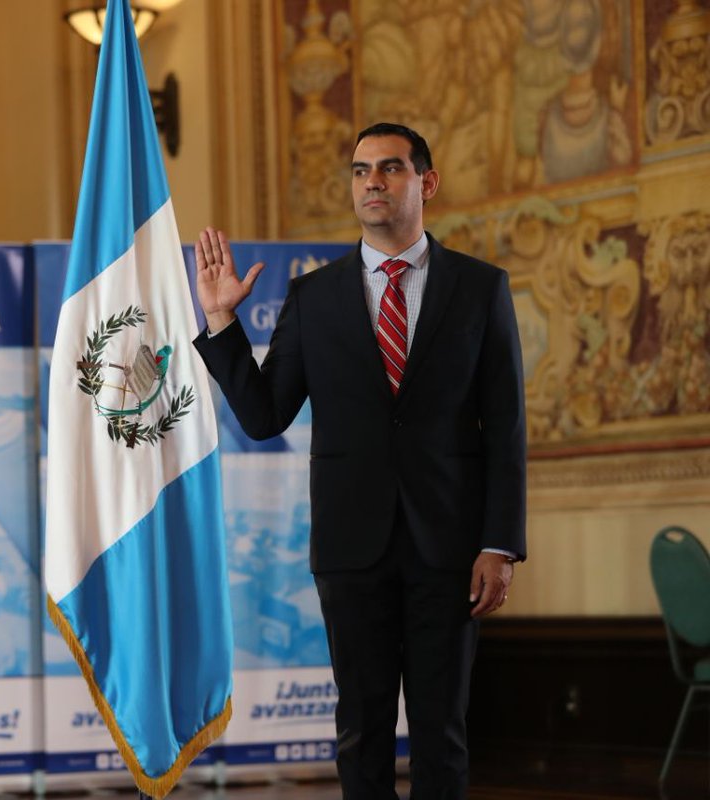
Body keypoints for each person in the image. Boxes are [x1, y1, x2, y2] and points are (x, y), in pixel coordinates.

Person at [193, 122, 526, 798]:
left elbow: (506, 428)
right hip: (351, 551)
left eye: (390, 167)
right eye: (360, 170)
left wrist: (499, 544)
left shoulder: (481, 288)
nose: (372, 181)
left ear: (427, 183)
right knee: (362, 732)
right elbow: (264, 416)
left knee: (442, 733)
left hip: (450, 550)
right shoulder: (313, 298)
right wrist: (223, 323)